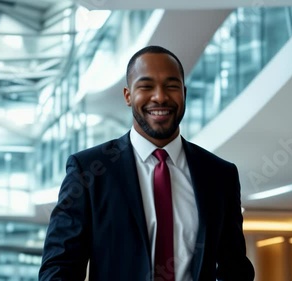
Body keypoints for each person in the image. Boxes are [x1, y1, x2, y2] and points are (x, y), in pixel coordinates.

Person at [39, 45, 255, 281]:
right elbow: (59, 269)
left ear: (184, 92)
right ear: (128, 95)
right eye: (146, 86)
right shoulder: (88, 170)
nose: (160, 96)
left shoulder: (220, 175)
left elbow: (234, 268)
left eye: (171, 86)